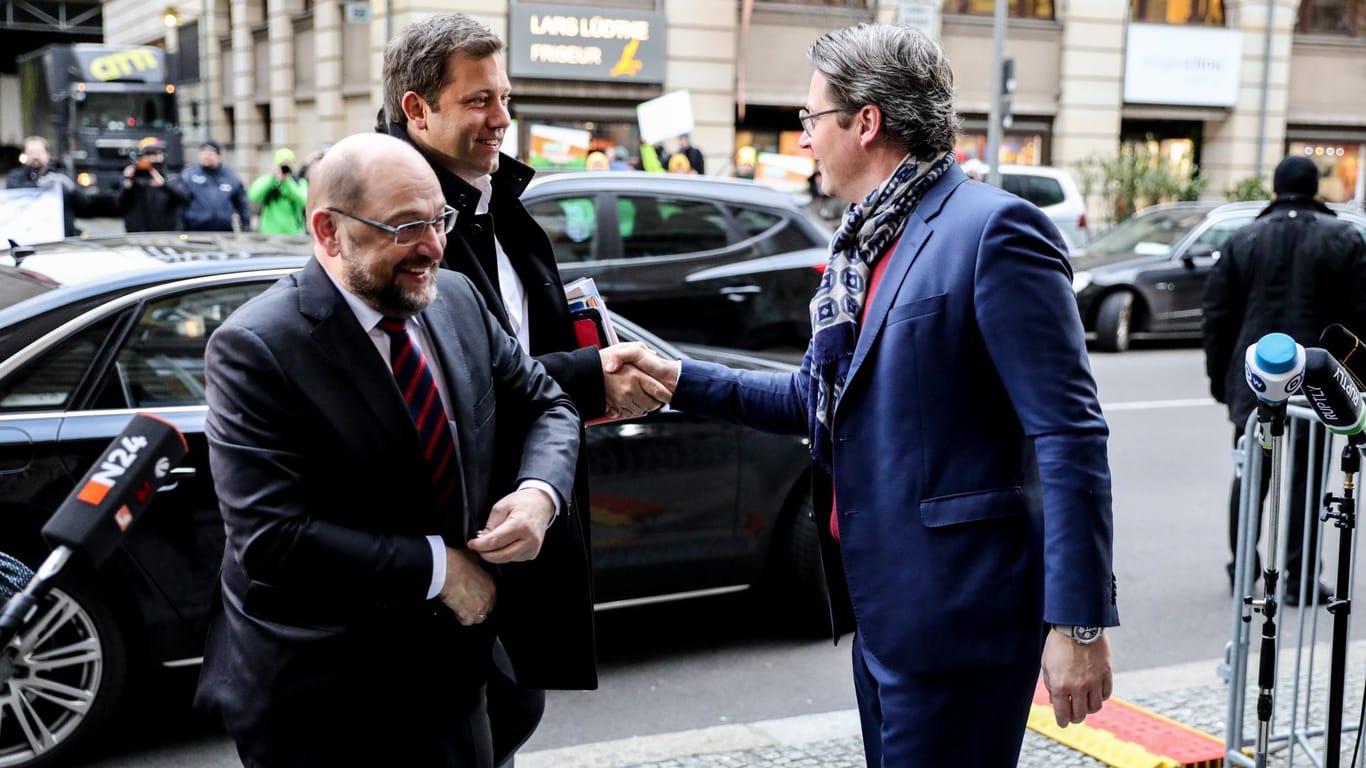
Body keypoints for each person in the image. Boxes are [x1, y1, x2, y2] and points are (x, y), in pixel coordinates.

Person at [622, 23, 1118, 766]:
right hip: (886, 612)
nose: (803, 140)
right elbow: (819, 402)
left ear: (866, 122)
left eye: (810, 120)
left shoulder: (994, 231)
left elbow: (1069, 433)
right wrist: (675, 380)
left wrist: (1078, 624)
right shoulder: (865, 241)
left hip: (962, 619)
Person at [194, 132, 583, 767]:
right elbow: (272, 538)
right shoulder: (256, 348)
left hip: (466, 675)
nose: (434, 246)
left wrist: (538, 496)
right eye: (405, 227)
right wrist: (440, 569)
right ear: (328, 232)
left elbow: (547, 404)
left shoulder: (455, 296)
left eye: (440, 219)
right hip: (333, 699)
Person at [379, 14, 670, 766]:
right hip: (448, 552)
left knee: (510, 716)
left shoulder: (495, 204)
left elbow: (526, 369)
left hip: (520, 527)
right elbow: (440, 382)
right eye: (479, 101)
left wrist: (598, 376)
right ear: (418, 110)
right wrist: (585, 377)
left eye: (505, 97)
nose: (502, 119)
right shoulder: (393, 226)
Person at [1202, 154, 1366, 606]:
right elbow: (1358, 319)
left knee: (1251, 472)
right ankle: (1299, 577)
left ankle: (1244, 571)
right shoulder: (1344, 238)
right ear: (1316, 190)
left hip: (1257, 376)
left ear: (1275, 190)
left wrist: (1221, 379)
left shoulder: (1244, 238)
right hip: (1318, 376)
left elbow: (1217, 317)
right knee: (1309, 480)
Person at [5, 136, 81, 237]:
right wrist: (38, 185)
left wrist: (72, 189)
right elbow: (12, 193)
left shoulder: (60, 175)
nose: (35, 156)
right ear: (24, 155)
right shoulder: (15, 176)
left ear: (48, 155)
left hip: (62, 238)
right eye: (31, 152)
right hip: (28, 236)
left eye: (39, 152)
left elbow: (84, 206)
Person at [118, 136, 188, 232]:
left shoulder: (173, 179)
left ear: (163, 157)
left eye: (155, 154)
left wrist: (164, 185)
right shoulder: (135, 181)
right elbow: (119, 206)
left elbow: (184, 199)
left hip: (166, 234)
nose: (151, 159)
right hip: (138, 235)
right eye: (148, 155)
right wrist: (128, 183)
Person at [181, 139, 251, 232]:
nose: (206, 156)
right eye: (203, 153)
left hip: (223, 230)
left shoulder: (230, 177)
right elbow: (180, 200)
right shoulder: (189, 174)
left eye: (210, 153)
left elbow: (242, 203)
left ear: (218, 156)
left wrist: (246, 225)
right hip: (195, 229)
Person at [248, 147, 308, 235]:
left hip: (294, 234)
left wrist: (288, 182)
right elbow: (253, 195)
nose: (284, 169)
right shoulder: (268, 180)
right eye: (282, 165)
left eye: (288, 165)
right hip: (269, 234)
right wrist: (272, 178)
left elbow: (304, 201)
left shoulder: (299, 182)